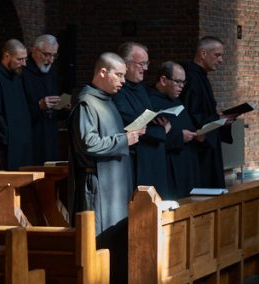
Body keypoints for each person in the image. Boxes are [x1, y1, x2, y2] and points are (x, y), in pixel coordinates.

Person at [69, 52, 144, 284]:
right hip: (99, 187)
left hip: (115, 185)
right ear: (103, 72)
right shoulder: (86, 103)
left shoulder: (107, 101)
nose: (123, 80)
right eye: (118, 75)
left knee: (117, 242)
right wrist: (124, 140)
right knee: (101, 242)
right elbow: (88, 144)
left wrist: (125, 136)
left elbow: (106, 137)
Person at [112, 42, 169, 194]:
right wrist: (161, 131)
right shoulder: (117, 90)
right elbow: (130, 123)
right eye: (141, 64)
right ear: (125, 64)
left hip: (152, 157)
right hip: (137, 159)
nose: (146, 68)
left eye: (147, 63)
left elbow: (146, 118)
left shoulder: (141, 88)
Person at [180, 36, 237, 188]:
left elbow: (200, 110)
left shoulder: (201, 76)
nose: (221, 60)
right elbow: (191, 114)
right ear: (203, 54)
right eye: (217, 55)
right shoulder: (191, 77)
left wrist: (219, 118)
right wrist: (217, 119)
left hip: (208, 144)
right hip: (198, 147)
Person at [148, 61, 202, 199]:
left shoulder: (177, 100)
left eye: (184, 82)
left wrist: (198, 134)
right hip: (170, 166)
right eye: (178, 82)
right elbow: (151, 138)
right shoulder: (150, 102)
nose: (182, 87)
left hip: (188, 164)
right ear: (163, 80)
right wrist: (179, 137)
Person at [0, 39, 33, 170]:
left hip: (20, 146)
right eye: (19, 59)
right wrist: (8, 138)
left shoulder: (16, 76)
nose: (24, 64)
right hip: (4, 147)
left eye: (25, 59)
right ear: (7, 55)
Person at [22, 34, 64, 165]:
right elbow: (17, 109)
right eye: (47, 55)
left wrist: (63, 105)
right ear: (34, 50)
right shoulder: (23, 73)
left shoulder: (51, 73)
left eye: (54, 55)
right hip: (31, 136)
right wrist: (38, 106)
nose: (51, 60)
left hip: (50, 132)